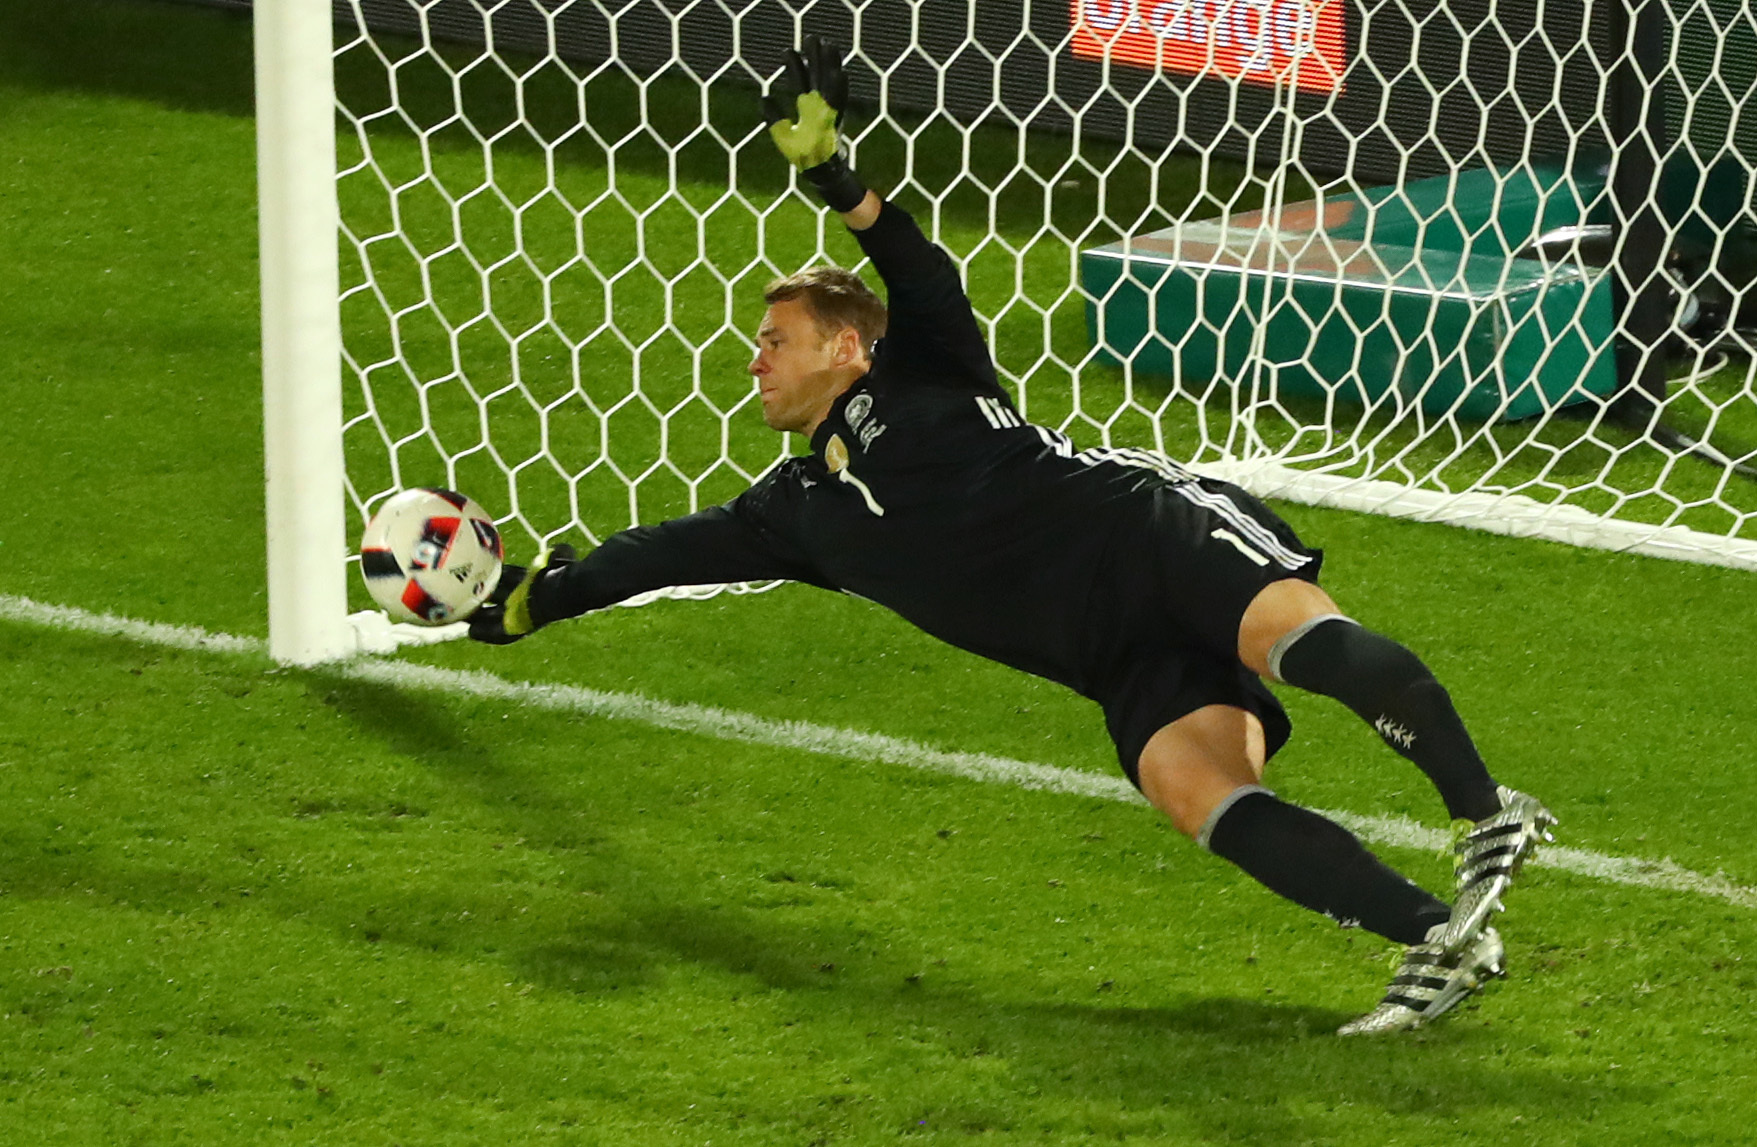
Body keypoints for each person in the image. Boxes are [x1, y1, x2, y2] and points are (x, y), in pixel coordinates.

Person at [468, 37, 1556, 1034]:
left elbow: (920, 272)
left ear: (848, 349)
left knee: (1287, 633)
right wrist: (527, 601)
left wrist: (834, 178)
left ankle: (1483, 807)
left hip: (1142, 531)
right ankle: (1434, 939)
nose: (755, 359)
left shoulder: (924, 363)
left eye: (776, 339)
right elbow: (660, 555)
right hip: (1105, 653)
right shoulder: (795, 512)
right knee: (1199, 791)